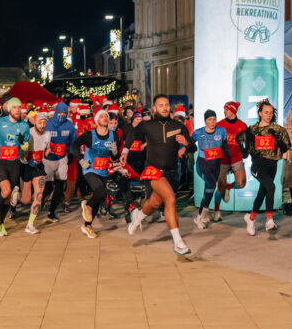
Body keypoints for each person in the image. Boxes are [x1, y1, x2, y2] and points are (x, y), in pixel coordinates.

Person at [124, 94, 192, 255]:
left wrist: (186, 145)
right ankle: (178, 243)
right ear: (155, 108)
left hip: (172, 172)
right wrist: (125, 151)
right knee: (170, 199)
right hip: (153, 170)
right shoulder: (147, 125)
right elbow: (132, 135)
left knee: (154, 203)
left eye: (167, 104)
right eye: (160, 105)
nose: (164, 107)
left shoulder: (178, 125)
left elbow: (192, 146)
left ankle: (137, 216)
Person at [72, 107, 121, 239]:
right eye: (101, 116)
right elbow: (73, 146)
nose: (105, 118)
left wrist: (115, 152)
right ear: (96, 120)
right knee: (101, 192)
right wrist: (81, 160)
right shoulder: (89, 135)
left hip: (103, 170)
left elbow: (114, 157)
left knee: (98, 199)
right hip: (89, 168)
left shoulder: (114, 136)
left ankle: (87, 226)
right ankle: (86, 204)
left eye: (106, 116)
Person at [242, 100, 290, 235]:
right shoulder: (252, 131)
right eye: (266, 112)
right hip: (257, 168)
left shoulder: (277, 130)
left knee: (262, 192)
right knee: (270, 187)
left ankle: (250, 219)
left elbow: (284, 148)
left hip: (272, 167)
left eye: (271, 113)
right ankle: (269, 220)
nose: (269, 115)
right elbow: (245, 153)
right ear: (260, 113)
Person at [0, 97, 30, 236]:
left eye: (19, 107)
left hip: (14, 162)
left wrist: (23, 144)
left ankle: (1, 224)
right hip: (0, 161)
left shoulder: (24, 125)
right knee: (5, 191)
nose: (18, 110)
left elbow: (26, 147)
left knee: (8, 195)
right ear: (9, 109)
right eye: (15, 107)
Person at [190, 109, 228, 229]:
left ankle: (199, 216)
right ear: (205, 120)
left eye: (214, 119)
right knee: (211, 184)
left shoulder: (221, 131)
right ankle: (204, 211)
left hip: (216, 165)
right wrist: (185, 149)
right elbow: (190, 145)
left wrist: (231, 159)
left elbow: (226, 148)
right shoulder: (198, 132)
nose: (212, 122)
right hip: (202, 165)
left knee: (209, 188)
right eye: (209, 119)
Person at [42, 101, 76, 223]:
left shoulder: (69, 125)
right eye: (60, 112)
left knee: (60, 185)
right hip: (48, 159)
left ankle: (52, 212)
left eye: (64, 112)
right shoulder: (48, 123)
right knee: (47, 186)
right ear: (56, 112)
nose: (62, 114)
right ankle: (41, 201)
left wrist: (71, 153)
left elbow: (73, 140)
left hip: (62, 158)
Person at [213, 101, 247, 218]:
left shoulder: (242, 125)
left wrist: (245, 150)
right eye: (224, 109)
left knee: (241, 183)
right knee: (220, 188)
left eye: (226, 110)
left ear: (233, 111)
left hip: (236, 157)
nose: (224, 112)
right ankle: (216, 210)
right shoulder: (219, 124)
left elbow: (244, 142)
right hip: (222, 158)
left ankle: (230, 186)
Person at [22, 111, 51, 234]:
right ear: (35, 122)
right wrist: (26, 159)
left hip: (39, 167)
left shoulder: (48, 134)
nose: (42, 125)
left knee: (39, 195)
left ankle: (30, 224)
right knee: (26, 200)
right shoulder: (28, 132)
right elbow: (21, 150)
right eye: (40, 122)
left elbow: (47, 148)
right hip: (26, 166)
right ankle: (15, 195)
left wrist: (45, 154)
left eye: (44, 122)